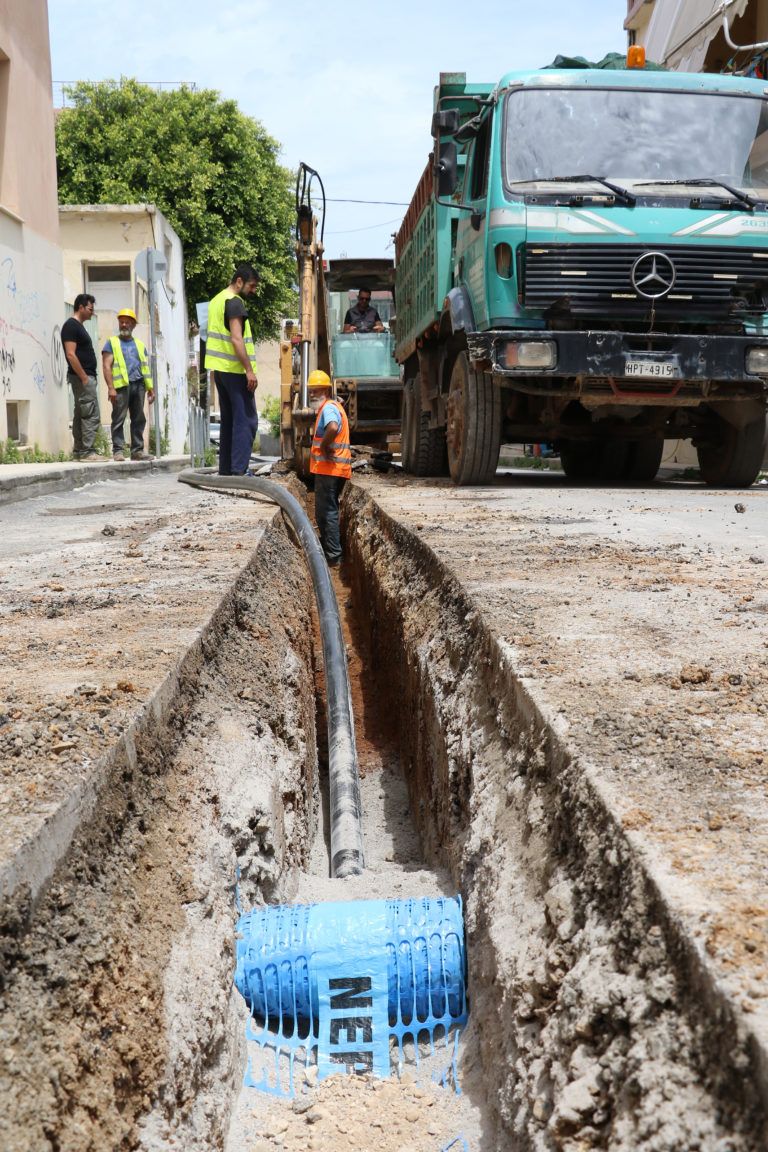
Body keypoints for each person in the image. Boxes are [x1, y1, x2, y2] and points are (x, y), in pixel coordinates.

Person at [204, 264, 260, 475]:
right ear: (239, 282)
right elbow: (237, 339)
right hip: (236, 371)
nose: (253, 290)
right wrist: (249, 370)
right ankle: (239, 471)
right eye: (252, 286)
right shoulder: (235, 303)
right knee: (246, 420)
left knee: (229, 420)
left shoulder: (216, 300)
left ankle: (227, 470)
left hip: (220, 371)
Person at [308, 369, 351, 566]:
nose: (311, 394)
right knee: (324, 512)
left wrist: (325, 446)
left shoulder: (329, 408)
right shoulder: (332, 406)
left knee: (327, 512)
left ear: (325, 390)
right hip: (332, 469)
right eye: (310, 391)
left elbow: (333, 427)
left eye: (315, 390)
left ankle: (333, 555)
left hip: (330, 469)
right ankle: (330, 550)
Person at [102, 308, 155, 461]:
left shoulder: (139, 345)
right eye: (122, 322)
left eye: (127, 322)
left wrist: (150, 387)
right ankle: (118, 451)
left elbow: (145, 367)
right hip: (121, 387)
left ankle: (137, 451)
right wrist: (111, 388)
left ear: (133, 325)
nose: (124, 325)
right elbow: (106, 366)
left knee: (139, 418)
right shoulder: (112, 343)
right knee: (119, 418)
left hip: (138, 385)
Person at [61, 293, 101, 461]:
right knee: (91, 413)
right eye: (90, 309)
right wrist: (84, 376)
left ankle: (79, 451)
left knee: (81, 413)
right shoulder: (71, 326)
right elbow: (70, 354)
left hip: (83, 377)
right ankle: (87, 452)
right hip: (82, 378)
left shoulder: (78, 326)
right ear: (81, 307)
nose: (92, 312)